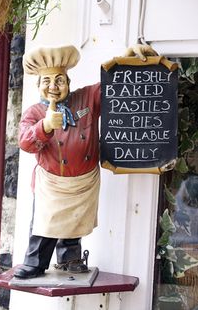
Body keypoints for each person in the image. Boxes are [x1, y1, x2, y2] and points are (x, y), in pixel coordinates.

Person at [14, 43, 156, 279]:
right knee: (44, 224)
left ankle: (70, 259)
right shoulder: (33, 113)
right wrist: (45, 126)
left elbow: (111, 86)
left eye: (59, 80)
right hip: (52, 184)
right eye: (47, 81)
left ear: (68, 82)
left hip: (84, 180)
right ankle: (35, 263)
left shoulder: (86, 99)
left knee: (75, 224)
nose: (53, 87)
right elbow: (25, 143)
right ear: (38, 85)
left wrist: (127, 62)